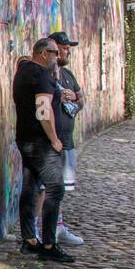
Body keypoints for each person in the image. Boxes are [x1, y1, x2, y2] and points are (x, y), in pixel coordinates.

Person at [12, 37, 75, 263]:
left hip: (26, 139)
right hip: (41, 143)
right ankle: (48, 244)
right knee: (55, 190)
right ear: (42, 53)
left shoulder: (24, 71)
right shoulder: (41, 76)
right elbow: (42, 110)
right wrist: (55, 139)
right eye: (53, 52)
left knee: (29, 188)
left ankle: (29, 240)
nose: (57, 57)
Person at [50, 30, 84, 244]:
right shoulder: (46, 74)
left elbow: (82, 100)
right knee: (47, 188)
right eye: (64, 47)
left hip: (67, 141)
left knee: (60, 187)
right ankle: (45, 229)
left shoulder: (68, 75)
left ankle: (58, 226)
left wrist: (75, 97)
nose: (68, 50)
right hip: (52, 141)